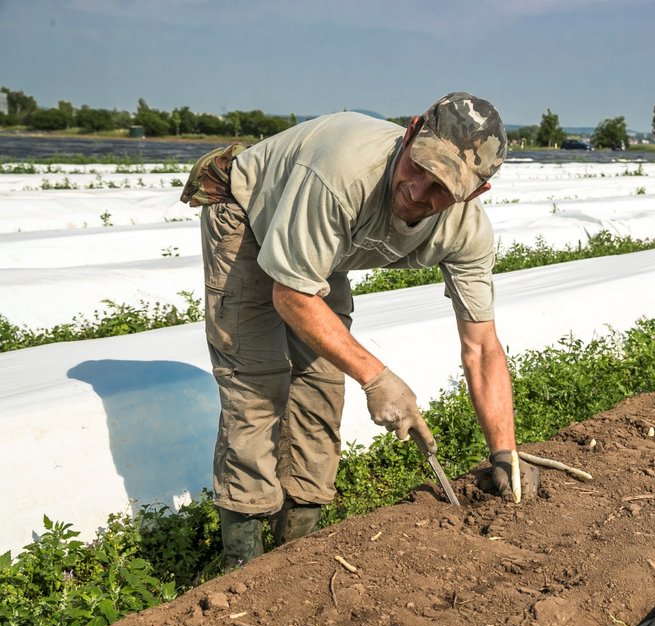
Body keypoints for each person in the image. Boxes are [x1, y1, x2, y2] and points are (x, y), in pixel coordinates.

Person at [180, 92, 538, 569]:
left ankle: (296, 554)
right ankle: (242, 567)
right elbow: (290, 295)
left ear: (473, 194)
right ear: (410, 133)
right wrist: (378, 377)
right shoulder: (342, 175)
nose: (418, 191)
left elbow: (482, 346)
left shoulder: (467, 232)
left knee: (322, 388)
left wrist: (504, 452)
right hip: (250, 214)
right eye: (418, 167)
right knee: (257, 387)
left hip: (321, 244)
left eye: (441, 189)